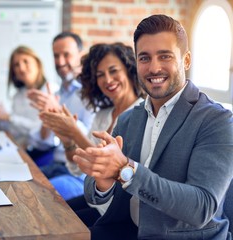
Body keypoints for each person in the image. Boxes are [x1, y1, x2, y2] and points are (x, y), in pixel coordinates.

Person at [73, 14, 233, 239]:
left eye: (165, 56)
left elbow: (202, 208)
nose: (154, 68)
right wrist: (103, 180)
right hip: (125, 229)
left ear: (186, 60)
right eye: (144, 58)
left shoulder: (216, 120)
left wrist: (125, 170)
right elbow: (92, 192)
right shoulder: (128, 119)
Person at [39, 43, 145, 204]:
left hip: (119, 205)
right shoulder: (103, 115)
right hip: (97, 200)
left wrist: (74, 132)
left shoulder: (142, 113)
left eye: (113, 71)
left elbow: (106, 168)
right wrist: (68, 141)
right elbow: (79, 167)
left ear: (129, 70)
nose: (107, 79)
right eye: (100, 74)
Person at [27, 32, 95, 178]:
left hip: (79, 173)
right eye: (56, 56)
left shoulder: (92, 92)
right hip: (57, 164)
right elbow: (45, 143)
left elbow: (91, 140)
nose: (60, 61)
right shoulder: (60, 92)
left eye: (66, 55)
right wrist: (47, 116)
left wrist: (57, 110)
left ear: (81, 56)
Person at [0, 46, 47, 147]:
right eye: (16, 65)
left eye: (26, 61)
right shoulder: (18, 95)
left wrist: (9, 117)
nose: (21, 68)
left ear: (37, 64)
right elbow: (14, 130)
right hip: (21, 148)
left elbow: (37, 130)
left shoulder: (49, 92)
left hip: (42, 153)